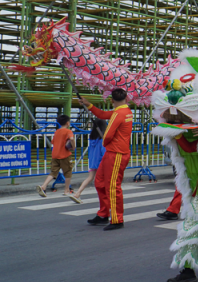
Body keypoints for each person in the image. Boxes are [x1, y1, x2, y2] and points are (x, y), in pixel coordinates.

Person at [78, 90, 133, 230]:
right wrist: (88, 104)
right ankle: (103, 214)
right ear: (126, 98)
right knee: (100, 182)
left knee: (113, 187)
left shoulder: (118, 113)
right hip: (114, 152)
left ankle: (117, 219)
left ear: (111, 100)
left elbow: (108, 134)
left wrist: (105, 143)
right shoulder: (124, 111)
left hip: (116, 153)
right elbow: (102, 115)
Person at [36, 115, 75, 198]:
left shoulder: (57, 131)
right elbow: (71, 139)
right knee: (68, 172)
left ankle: (44, 186)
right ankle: (66, 190)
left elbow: (53, 141)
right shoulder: (68, 131)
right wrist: (73, 147)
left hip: (55, 155)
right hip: (65, 155)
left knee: (53, 172)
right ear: (68, 123)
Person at [70, 118, 107, 204]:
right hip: (101, 162)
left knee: (90, 178)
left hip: (92, 161)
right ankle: (106, 198)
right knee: (103, 180)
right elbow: (104, 152)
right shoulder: (102, 139)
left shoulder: (92, 138)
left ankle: (78, 193)